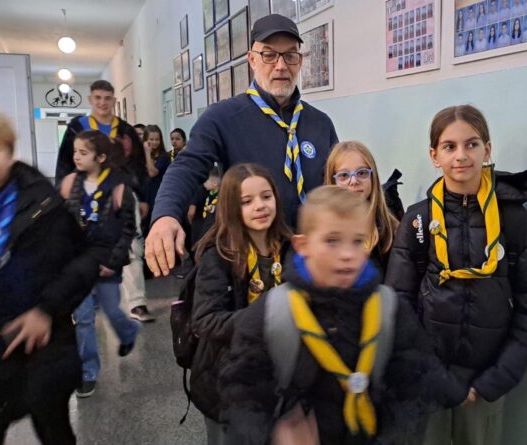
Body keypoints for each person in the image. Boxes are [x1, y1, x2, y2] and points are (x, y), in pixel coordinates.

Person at [218, 186, 466, 444]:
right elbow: (242, 394)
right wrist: (272, 435)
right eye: (332, 241)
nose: (347, 254)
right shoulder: (272, 313)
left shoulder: (389, 309)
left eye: (357, 241)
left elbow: (413, 383)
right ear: (302, 245)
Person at [385, 105, 527, 445]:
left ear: (487, 150)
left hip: (485, 380)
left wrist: (495, 380)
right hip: (428, 381)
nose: (461, 155)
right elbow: (398, 302)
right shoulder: (417, 220)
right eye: (449, 146)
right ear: (434, 156)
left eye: (471, 144)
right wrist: (423, 370)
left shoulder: (514, 220)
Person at [146, 14, 339, 278]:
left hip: (313, 262)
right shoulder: (223, 117)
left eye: (290, 55)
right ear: (252, 60)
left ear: (300, 60)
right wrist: (165, 215)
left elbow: (337, 183)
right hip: (250, 264)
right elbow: (188, 166)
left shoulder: (320, 123)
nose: (281, 66)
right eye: (269, 55)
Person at [0, 107, 99, 445]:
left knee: (54, 427)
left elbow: (83, 262)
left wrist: (46, 310)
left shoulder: (43, 204)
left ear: (9, 153)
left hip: (43, 344)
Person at [191, 163, 292, 444]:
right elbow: (205, 320)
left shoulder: (289, 246)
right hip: (227, 381)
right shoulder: (219, 255)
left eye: (266, 197)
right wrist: (266, 316)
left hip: (278, 379)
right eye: (246, 201)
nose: (260, 206)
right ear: (230, 207)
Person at [59, 131, 140, 398]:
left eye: (83, 152)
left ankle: (129, 331)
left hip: (107, 262)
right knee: (83, 318)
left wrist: (112, 262)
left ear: (101, 157)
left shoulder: (118, 187)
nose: (76, 157)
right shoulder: (72, 184)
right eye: (75, 152)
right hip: (80, 263)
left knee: (112, 311)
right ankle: (88, 373)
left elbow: (127, 230)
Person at [324, 141, 399, 276]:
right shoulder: (321, 230)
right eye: (344, 175)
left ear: (373, 178)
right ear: (332, 181)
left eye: (362, 173)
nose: (353, 181)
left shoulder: (392, 229)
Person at [55, 81, 145, 184]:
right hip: (83, 187)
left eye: (107, 98)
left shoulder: (126, 131)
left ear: (114, 101)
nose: (102, 102)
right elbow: (64, 162)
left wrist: (136, 189)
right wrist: (61, 187)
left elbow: (138, 164)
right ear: (90, 99)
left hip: (119, 186)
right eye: (97, 97)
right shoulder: (76, 127)